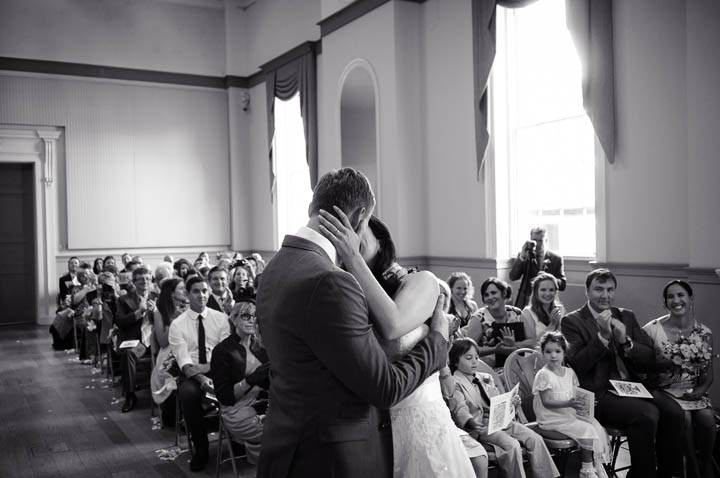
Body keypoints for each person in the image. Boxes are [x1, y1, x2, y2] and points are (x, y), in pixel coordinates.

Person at [256, 167, 449, 478]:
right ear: (361, 216)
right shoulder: (332, 281)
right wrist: (438, 341)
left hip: (286, 444)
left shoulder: (274, 268)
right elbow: (384, 388)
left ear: (312, 207)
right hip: (330, 459)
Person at [318, 211, 477, 478]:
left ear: (380, 240)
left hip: (421, 417)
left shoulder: (421, 281)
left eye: (357, 228)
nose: (348, 237)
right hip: (377, 423)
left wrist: (352, 257)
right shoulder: (351, 295)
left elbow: (393, 328)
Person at [561, 268, 680, 478]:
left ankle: (667, 473)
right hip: (599, 392)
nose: (605, 295)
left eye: (610, 290)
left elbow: (649, 356)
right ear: (586, 291)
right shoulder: (572, 321)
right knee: (647, 415)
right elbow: (578, 364)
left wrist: (626, 341)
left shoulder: (626, 315)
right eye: (599, 289)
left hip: (633, 386)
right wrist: (603, 337)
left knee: (673, 411)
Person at [447, 338, 559, 478]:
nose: (475, 361)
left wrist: (511, 403)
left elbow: (498, 400)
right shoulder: (455, 382)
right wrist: (470, 421)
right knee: (512, 446)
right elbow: (459, 408)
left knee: (535, 438)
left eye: (476, 357)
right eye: (468, 358)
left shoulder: (486, 377)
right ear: (455, 361)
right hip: (482, 426)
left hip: (501, 421)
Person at [643, 280, 715, 478]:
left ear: (690, 299)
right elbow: (642, 370)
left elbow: (708, 376)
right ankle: (691, 467)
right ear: (664, 302)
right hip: (663, 392)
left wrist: (699, 392)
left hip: (693, 392)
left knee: (708, 420)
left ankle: (707, 462)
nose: (676, 300)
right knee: (686, 419)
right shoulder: (651, 330)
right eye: (670, 296)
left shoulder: (705, 333)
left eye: (681, 295)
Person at [168, 275, 230, 471]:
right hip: (193, 375)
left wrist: (210, 369)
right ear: (187, 294)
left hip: (218, 369)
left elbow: (225, 353)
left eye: (204, 291)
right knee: (188, 394)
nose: (202, 295)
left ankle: (237, 438)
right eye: (196, 291)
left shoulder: (220, 318)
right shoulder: (178, 324)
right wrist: (202, 377)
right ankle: (201, 449)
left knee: (239, 384)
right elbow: (184, 362)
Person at [532, 331, 609, 478]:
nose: (553, 355)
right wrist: (569, 403)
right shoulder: (544, 375)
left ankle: (596, 464)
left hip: (567, 412)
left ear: (564, 353)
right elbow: (547, 402)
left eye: (557, 351)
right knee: (586, 428)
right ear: (542, 353)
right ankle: (586, 469)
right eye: (548, 352)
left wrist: (586, 402)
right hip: (551, 418)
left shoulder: (569, 372)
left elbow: (575, 395)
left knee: (595, 425)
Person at [211, 299, 268, 465]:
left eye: (255, 316)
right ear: (233, 319)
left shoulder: (261, 346)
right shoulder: (222, 351)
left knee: (297, 423)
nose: (252, 320)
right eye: (245, 316)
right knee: (283, 431)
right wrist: (251, 379)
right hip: (236, 411)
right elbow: (225, 397)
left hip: (264, 404)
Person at [459, 277, 533, 367]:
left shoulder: (517, 313)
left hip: (516, 366)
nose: (490, 297)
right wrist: (494, 349)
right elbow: (468, 349)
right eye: (486, 295)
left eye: (493, 293)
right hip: (488, 368)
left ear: (504, 293)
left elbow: (532, 342)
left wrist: (514, 344)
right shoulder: (478, 317)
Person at [115, 266, 157, 413]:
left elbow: (167, 318)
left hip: (156, 339)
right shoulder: (124, 299)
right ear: (134, 282)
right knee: (129, 354)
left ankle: (166, 396)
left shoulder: (157, 296)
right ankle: (130, 395)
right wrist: (139, 312)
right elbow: (120, 322)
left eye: (147, 278)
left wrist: (155, 313)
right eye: (140, 279)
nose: (145, 282)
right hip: (137, 341)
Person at [150, 278, 187, 425]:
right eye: (181, 288)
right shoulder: (159, 313)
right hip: (168, 354)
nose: (185, 291)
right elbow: (163, 342)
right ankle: (175, 414)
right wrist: (177, 318)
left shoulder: (189, 309)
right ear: (172, 293)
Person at [509, 227, 566, 308]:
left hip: (547, 301)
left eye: (540, 241)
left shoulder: (556, 258)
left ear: (546, 241)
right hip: (525, 300)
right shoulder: (525, 255)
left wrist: (549, 278)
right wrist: (522, 257)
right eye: (534, 240)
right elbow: (513, 277)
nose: (537, 244)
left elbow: (563, 285)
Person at [521, 272, 566, 344]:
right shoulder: (527, 312)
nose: (547, 294)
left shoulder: (560, 309)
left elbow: (562, 338)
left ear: (555, 292)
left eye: (551, 290)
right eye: (543, 290)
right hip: (535, 353)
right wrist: (552, 325)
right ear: (536, 292)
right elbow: (532, 343)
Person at [446, 272, 479, 340]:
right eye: (459, 288)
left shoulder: (473, 305)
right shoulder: (447, 306)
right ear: (451, 288)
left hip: (470, 342)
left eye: (465, 288)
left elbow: (477, 327)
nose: (462, 292)